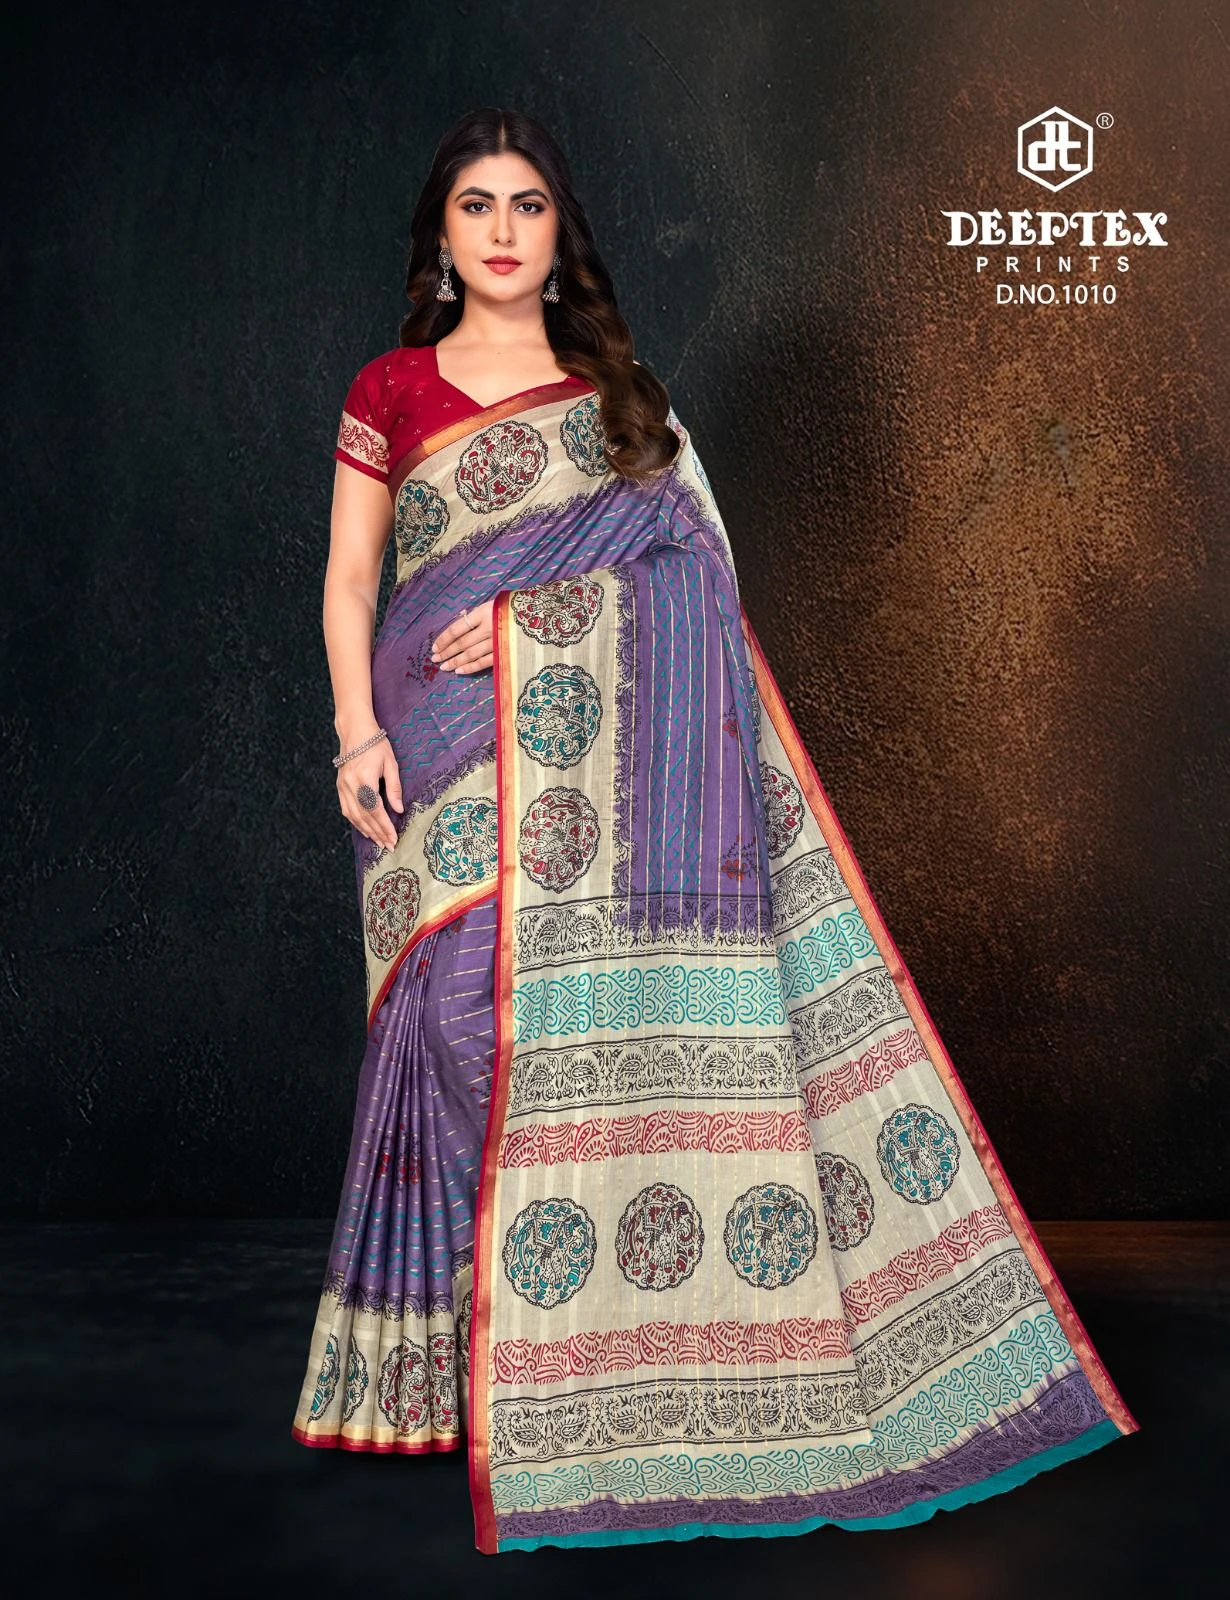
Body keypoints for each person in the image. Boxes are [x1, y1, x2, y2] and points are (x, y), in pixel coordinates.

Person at [291, 106, 1138, 1556]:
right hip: (428, 739)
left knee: (532, 1019)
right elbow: (352, 578)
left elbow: (694, 574)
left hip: (589, 742)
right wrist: (354, 731)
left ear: (561, 236)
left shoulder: (620, 398)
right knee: (450, 1012)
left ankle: (583, 1361)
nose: (502, 230)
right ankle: (471, 1364)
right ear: (440, 235)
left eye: (528, 205)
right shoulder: (393, 388)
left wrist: (538, 620)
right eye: (476, 205)